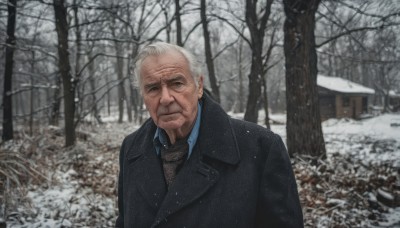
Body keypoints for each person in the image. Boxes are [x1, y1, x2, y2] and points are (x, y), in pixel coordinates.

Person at [115, 42, 303, 227]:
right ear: (143, 95)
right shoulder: (131, 149)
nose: (165, 98)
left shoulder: (261, 147)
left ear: (199, 86)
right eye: (153, 88)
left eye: (177, 83)